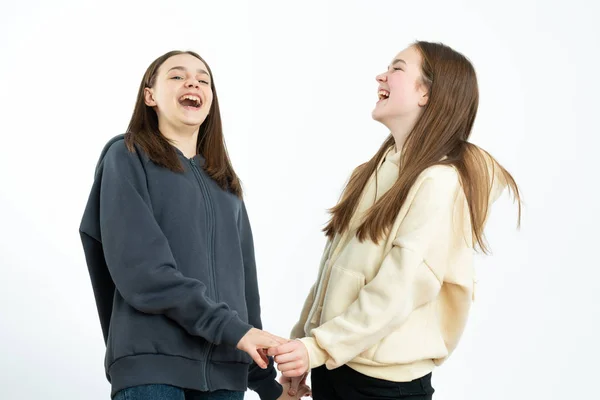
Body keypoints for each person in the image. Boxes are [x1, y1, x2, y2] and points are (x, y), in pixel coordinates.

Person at [268, 41, 522, 399]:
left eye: (398, 68)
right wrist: (303, 348)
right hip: (336, 366)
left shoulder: (440, 182)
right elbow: (330, 273)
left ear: (426, 93)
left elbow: (399, 289)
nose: (381, 76)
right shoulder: (371, 171)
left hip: (382, 384)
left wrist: (316, 348)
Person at [79, 50, 308, 400]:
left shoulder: (226, 184)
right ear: (149, 95)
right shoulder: (126, 157)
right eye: (176, 75)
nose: (193, 82)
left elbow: (245, 288)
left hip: (224, 377)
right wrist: (234, 330)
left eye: (203, 79)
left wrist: (264, 383)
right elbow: (143, 272)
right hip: (152, 370)